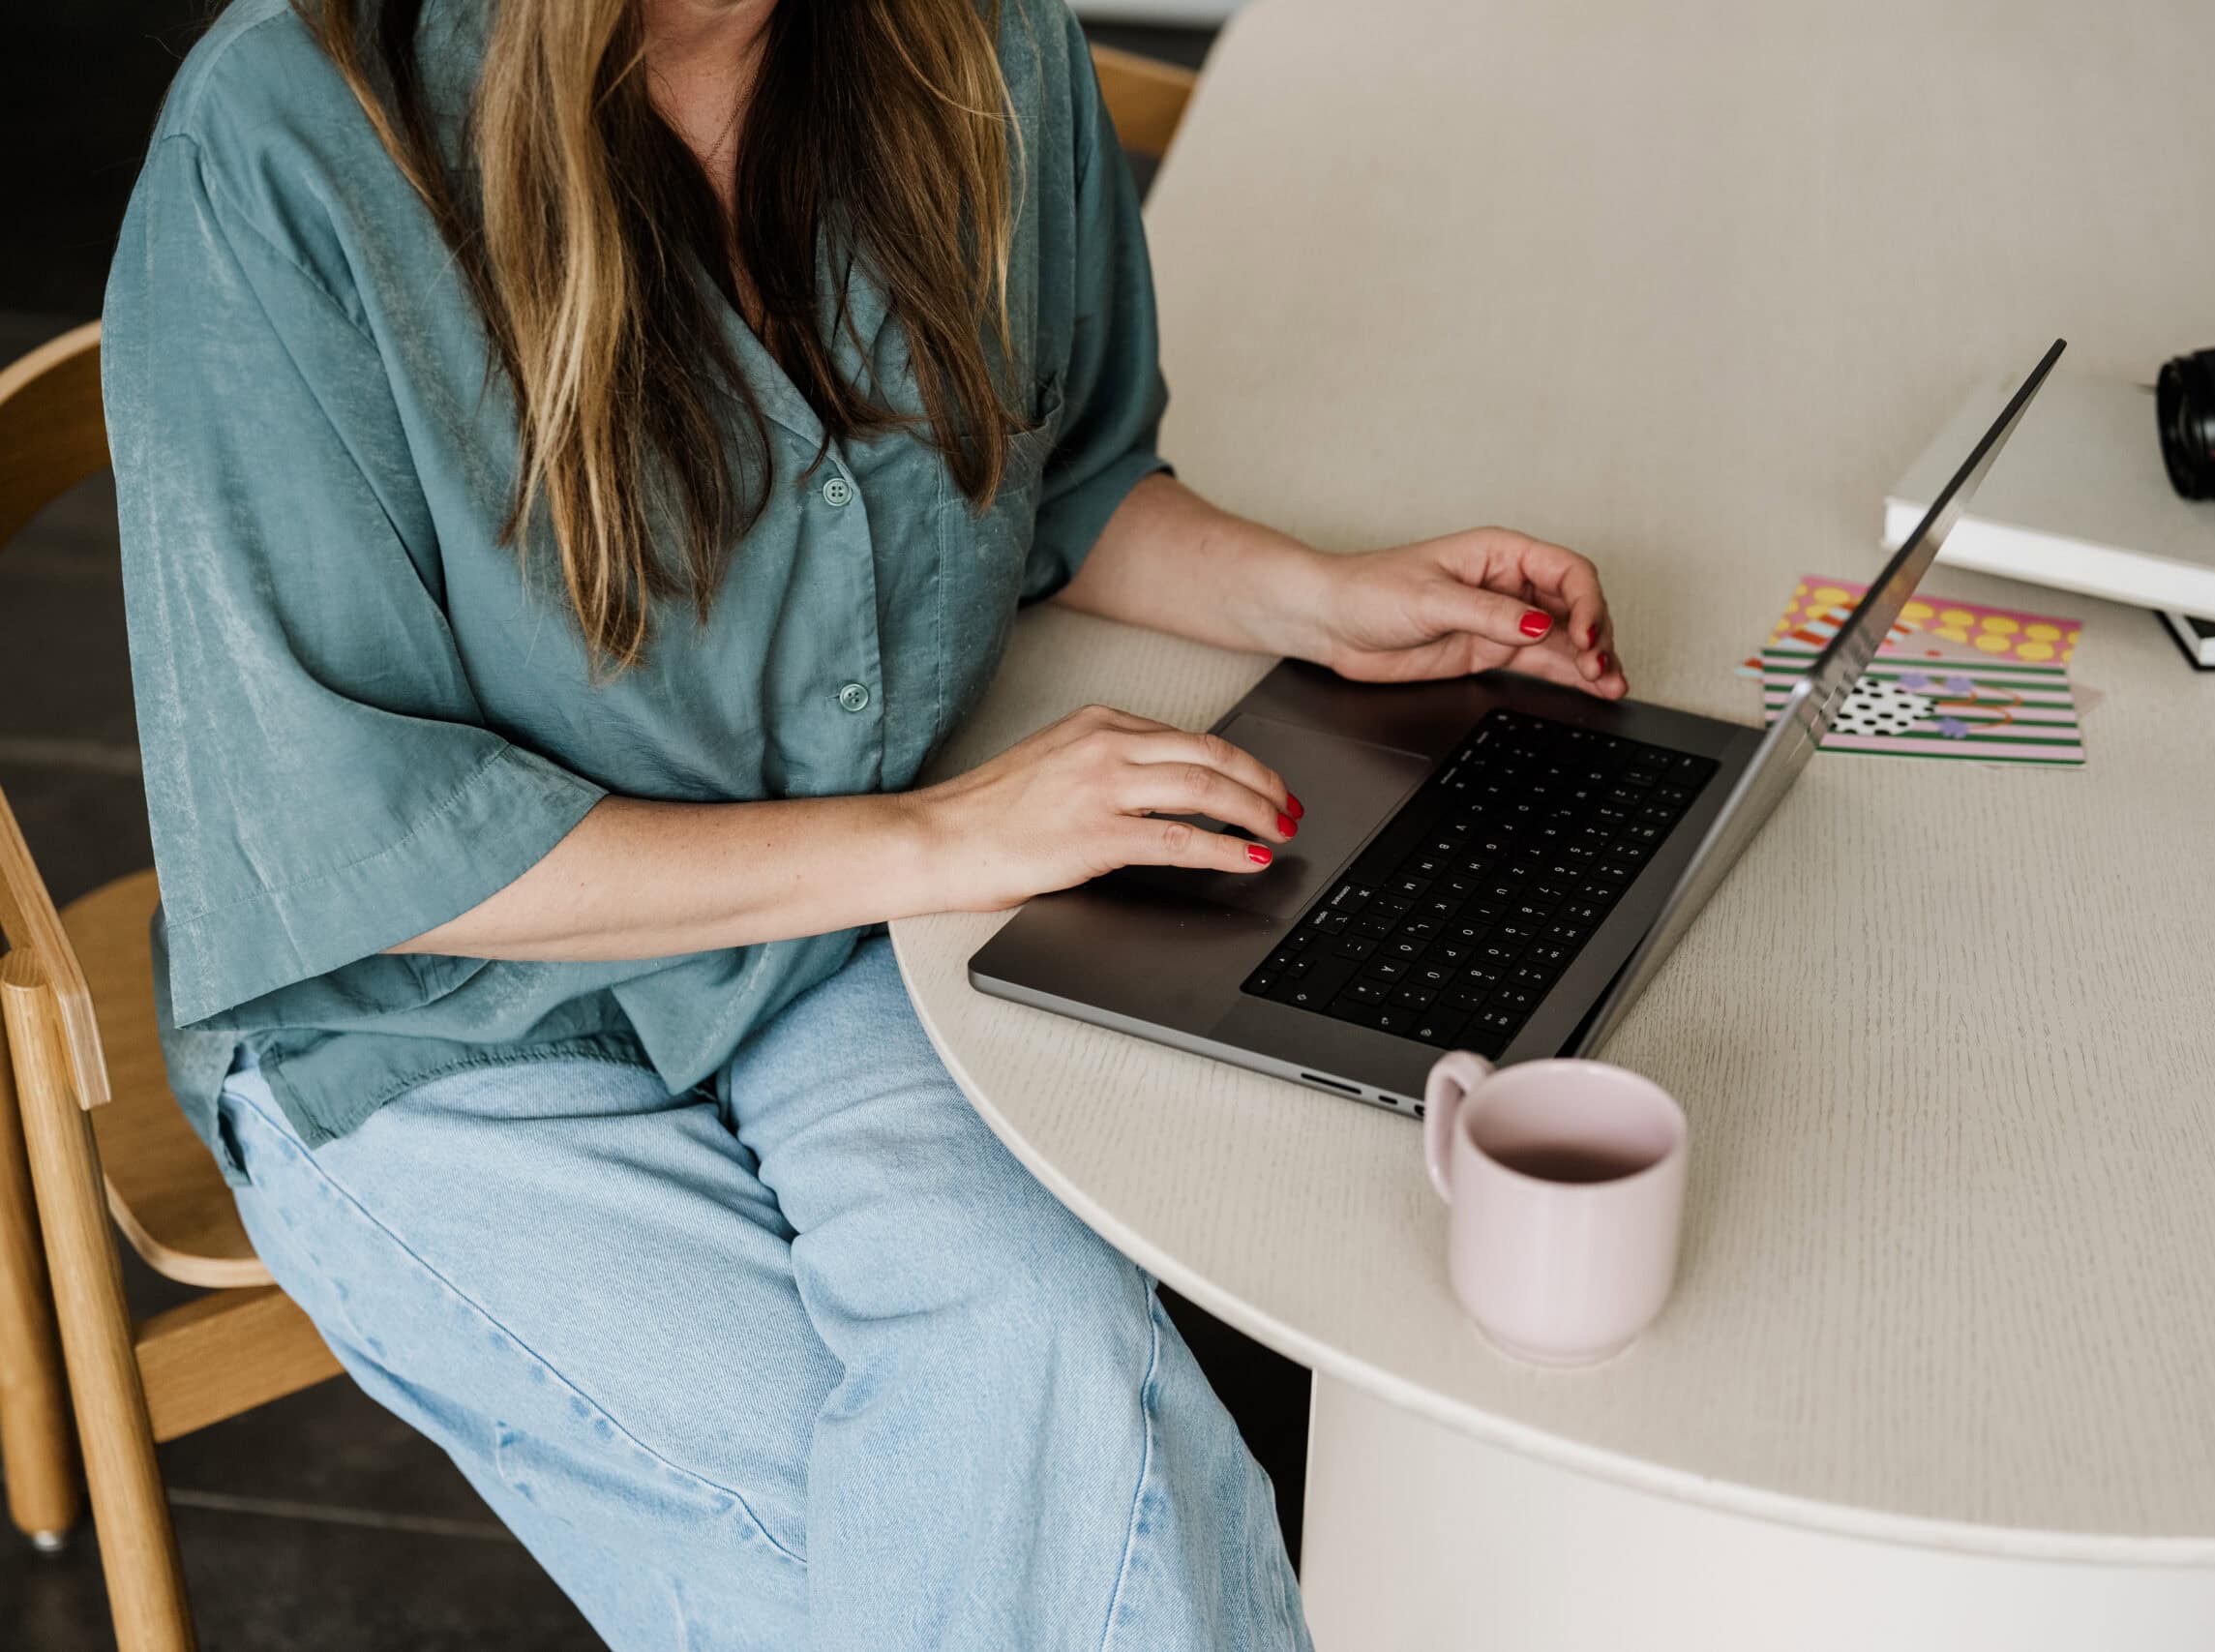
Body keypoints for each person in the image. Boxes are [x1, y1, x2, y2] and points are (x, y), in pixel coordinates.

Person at [102, 0, 1629, 1644]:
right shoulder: (283, 140)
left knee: (1035, 1350)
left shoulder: (977, 44)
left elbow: (1049, 478)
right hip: (447, 1029)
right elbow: (360, 840)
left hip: (825, 929)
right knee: (935, 1576)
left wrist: (1320, 596)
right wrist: (946, 839)